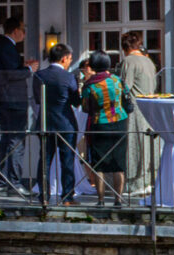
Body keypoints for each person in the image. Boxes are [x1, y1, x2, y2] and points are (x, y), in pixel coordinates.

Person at [0, 15, 34, 193]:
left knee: (6, 141)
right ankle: (14, 182)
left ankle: (1, 182)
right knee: (16, 142)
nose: (24, 33)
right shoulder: (7, 47)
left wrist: (22, 67)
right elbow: (11, 74)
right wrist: (29, 69)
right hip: (12, 101)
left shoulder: (0, 46)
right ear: (15, 31)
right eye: (23, 30)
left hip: (4, 101)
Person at [79, 51, 134, 206]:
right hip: (119, 122)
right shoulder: (118, 81)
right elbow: (127, 99)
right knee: (119, 163)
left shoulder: (90, 85)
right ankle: (118, 199)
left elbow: (85, 107)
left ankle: (101, 200)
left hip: (100, 124)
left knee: (99, 164)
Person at [34, 42, 80, 205]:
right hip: (65, 123)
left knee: (44, 160)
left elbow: (37, 99)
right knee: (67, 161)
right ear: (64, 58)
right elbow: (76, 101)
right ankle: (67, 196)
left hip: (45, 123)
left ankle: (44, 195)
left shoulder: (39, 75)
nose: (70, 62)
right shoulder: (68, 77)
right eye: (70, 59)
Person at [117, 32, 157, 199]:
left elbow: (125, 87)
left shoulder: (129, 61)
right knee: (147, 146)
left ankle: (133, 184)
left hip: (135, 109)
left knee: (133, 144)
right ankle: (147, 181)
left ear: (125, 48)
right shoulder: (148, 61)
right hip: (150, 107)